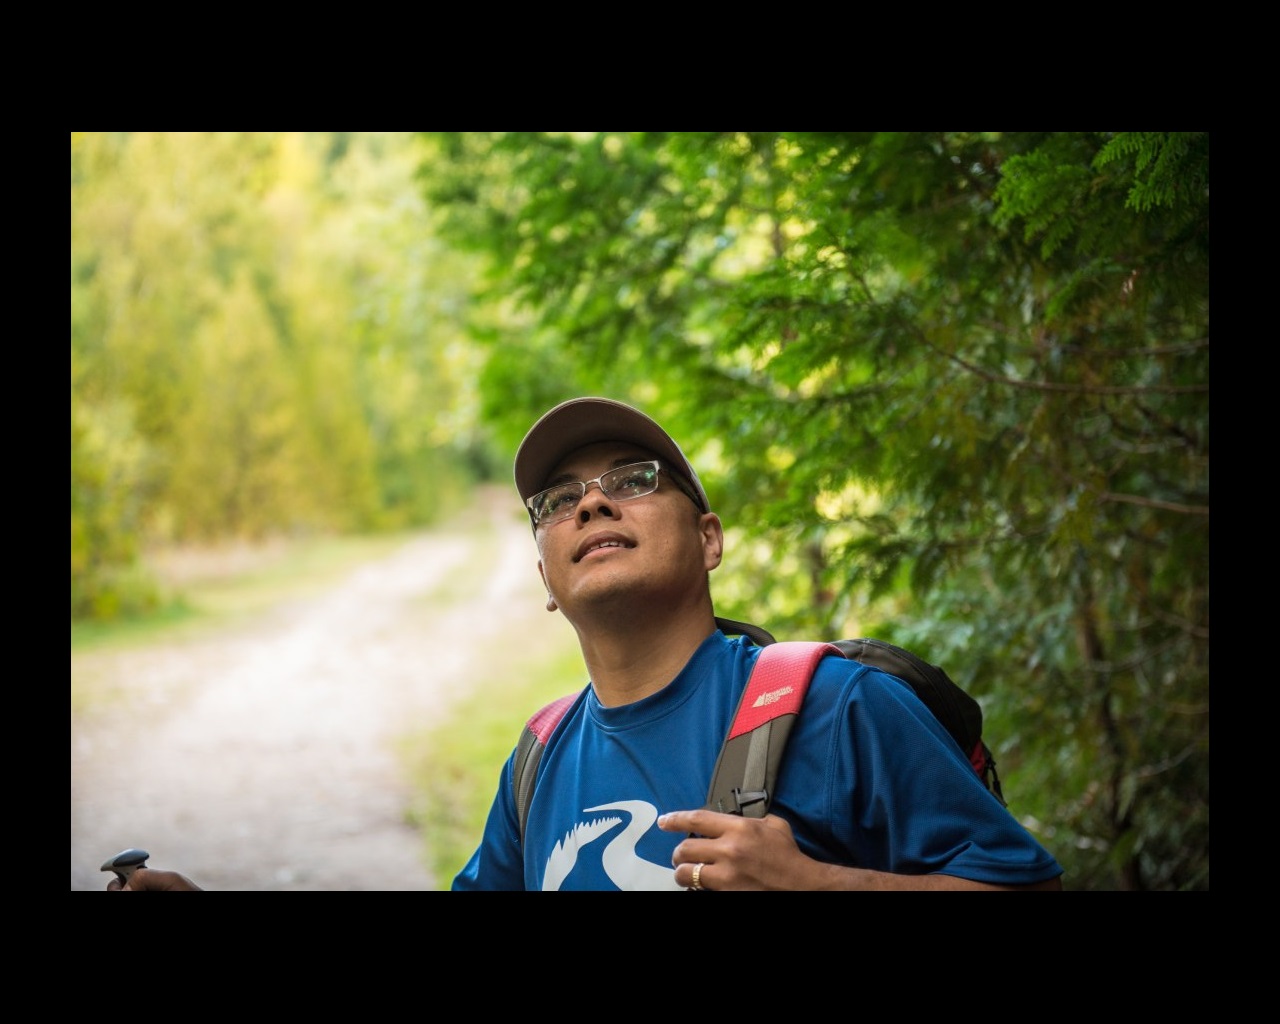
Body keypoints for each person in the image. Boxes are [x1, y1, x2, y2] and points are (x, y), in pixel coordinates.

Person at [109, 397, 1064, 892]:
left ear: (710, 539)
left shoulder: (838, 705)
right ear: (546, 578)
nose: (593, 502)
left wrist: (815, 883)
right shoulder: (537, 762)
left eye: (633, 479)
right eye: (559, 501)